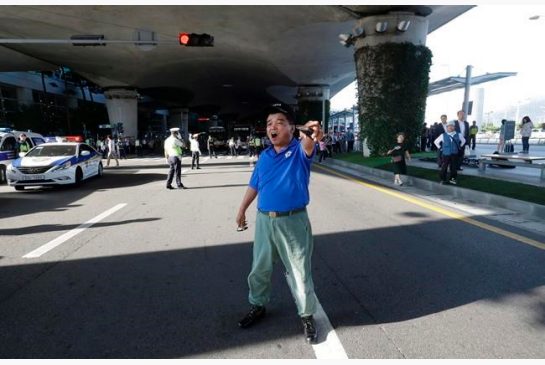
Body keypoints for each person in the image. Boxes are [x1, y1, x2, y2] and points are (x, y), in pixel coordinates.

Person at [236, 103, 323, 344]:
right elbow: (255, 185)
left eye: (279, 122)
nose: (272, 127)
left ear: (291, 128)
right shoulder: (264, 156)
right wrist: (242, 209)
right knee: (259, 268)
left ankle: (306, 315)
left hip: (293, 221)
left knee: (299, 270)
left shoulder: (299, 151)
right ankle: (258, 305)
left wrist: (311, 133)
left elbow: (309, 142)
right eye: (268, 123)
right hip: (265, 221)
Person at [434, 120, 465, 185]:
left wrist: (459, 147)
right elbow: (436, 142)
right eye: (449, 126)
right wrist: (441, 148)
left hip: (454, 154)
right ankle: (443, 179)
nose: (450, 127)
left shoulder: (459, 134)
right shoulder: (443, 135)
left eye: (452, 126)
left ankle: (452, 180)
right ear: (447, 127)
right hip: (446, 154)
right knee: (444, 167)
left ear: (454, 127)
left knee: (453, 168)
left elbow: (463, 141)